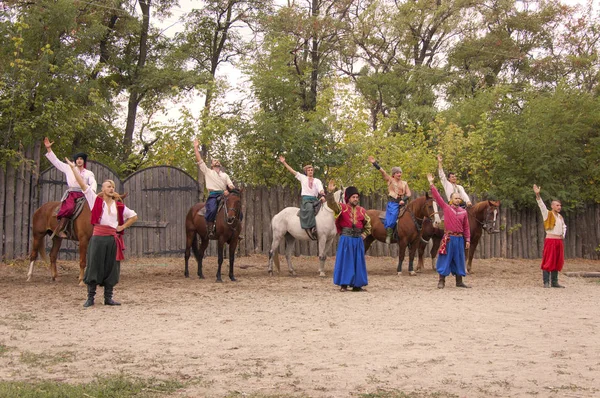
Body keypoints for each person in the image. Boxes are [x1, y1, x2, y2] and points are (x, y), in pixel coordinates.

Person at [65, 158, 137, 307]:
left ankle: (108, 298)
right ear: (102, 189)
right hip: (97, 238)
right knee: (94, 266)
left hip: (112, 240)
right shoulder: (94, 201)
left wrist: (122, 227)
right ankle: (90, 298)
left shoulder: (119, 206)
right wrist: (73, 169)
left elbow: (134, 216)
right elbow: (83, 185)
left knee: (111, 268)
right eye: (108, 186)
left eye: (112, 186)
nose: (111, 188)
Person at [44, 137, 97, 238]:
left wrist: (92, 191)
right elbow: (56, 162)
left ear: (84, 161)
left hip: (85, 194)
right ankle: (61, 228)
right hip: (72, 194)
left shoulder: (89, 173)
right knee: (69, 208)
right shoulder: (69, 168)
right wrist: (49, 149)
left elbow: (93, 182)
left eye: (81, 159)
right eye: (77, 159)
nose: (79, 160)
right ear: (75, 160)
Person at [427, 173, 471, 289]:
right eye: (455, 198)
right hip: (449, 238)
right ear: (451, 200)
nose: (457, 200)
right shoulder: (447, 208)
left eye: (459, 198)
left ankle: (459, 281)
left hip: (459, 239)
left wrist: (467, 239)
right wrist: (431, 183)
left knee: (459, 259)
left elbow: (466, 227)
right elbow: (437, 197)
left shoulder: (463, 212)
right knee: (445, 258)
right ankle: (441, 281)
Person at [326, 180, 371, 292]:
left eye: (357, 197)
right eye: (353, 197)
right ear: (348, 198)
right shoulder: (341, 208)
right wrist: (330, 193)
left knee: (358, 262)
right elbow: (331, 204)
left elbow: (368, 225)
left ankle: (357, 285)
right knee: (346, 261)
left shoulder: (362, 211)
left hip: (357, 240)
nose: (355, 199)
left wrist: (364, 234)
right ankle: (344, 284)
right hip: (346, 239)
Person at [194, 139, 236, 238]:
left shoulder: (225, 175)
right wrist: (196, 148)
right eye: (215, 165)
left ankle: (235, 231)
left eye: (218, 166)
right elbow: (200, 161)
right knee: (212, 209)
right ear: (212, 166)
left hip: (224, 195)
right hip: (213, 196)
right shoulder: (208, 172)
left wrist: (229, 189)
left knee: (237, 210)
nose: (216, 167)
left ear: (220, 166)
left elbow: (231, 185)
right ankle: (210, 229)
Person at [279, 155, 325, 240]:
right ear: (306, 172)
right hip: (306, 200)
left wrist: (322, 196)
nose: (310, 171)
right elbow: (292, 171)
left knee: (323, 210)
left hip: (315, 199)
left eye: (312, 170)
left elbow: (321, 190)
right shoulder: (302, 178)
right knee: (310, 208)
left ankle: (323, 229)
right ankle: (312, 228)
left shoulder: (317, 181)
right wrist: (284, 162)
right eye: (309, 170)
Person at [368, 156, 412, 244]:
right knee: (393, 216)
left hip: (402, 202)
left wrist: (404, 199)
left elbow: (409, 193)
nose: (399, 174)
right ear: (393, 174)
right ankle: (389, 234)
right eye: (397, 173)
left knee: (411, 216)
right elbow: (383, 172)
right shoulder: (390, 180)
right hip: (393, 203)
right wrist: (374, 163)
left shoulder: (404, 183)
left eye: (400, 172)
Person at [533, 184, 566, 288]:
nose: (559, 207)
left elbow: (564, 227)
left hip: (559, 241)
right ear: (552, 206)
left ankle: (554, 282)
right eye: (557, 205)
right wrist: (538, 194)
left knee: (557, 260)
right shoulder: (548, 214)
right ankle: (546, 282)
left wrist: (562, 235)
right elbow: (541, 205)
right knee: (549, 260)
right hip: (550, 240)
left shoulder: (560, 216)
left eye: (560, 205)